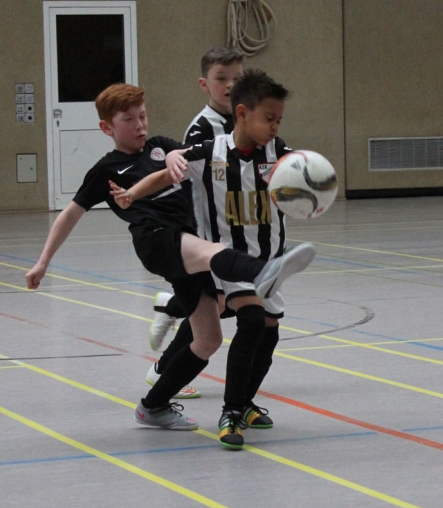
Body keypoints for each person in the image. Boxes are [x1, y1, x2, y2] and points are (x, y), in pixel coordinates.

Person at [25, 82, 315, 432]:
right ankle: (263, 271)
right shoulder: (106, 169)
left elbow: (193, 156)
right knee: (215, 252)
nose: (140, 125)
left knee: (207, 340)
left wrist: (178, 155)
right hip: (157, 240)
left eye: (143, 116)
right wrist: (43, 261)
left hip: (188, 243)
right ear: (106, 127)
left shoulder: (161, 146)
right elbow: (71, 214)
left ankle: (153, 405)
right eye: (129, 120)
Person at [112, 69, 310, 450]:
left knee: (269, 332)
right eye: (269, 118)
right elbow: (166, 174)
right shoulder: (210, 152)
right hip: (227, 261)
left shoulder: (279, 154)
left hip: (269, 262)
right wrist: (133, 194)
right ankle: (230, 412)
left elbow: (304, 181)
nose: (274, 127)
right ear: (242, 113)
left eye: (279, 120)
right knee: (251, 321)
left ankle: (244, 402)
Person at [146, 47, 244, 400]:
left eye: (237, 78)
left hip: (237, 227)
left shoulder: (245, 120)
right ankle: (163, 368)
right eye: (221, 78)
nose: (230, 85)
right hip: (208, 232)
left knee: (225, 303)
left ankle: (171, 307)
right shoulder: (202, 127)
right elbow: (185, 181)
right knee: (218, 306)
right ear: (205, 84)